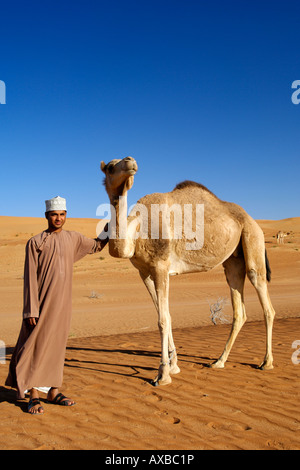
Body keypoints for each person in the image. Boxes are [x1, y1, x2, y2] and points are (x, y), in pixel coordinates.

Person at [5, 196, 108, 414]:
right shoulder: (36, 242)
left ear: (66, 215)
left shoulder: (74, 239)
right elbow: (30, 278)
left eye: (62, 214)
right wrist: (30, 309)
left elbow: (97, 246)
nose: (58, 218)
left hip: (63, 304)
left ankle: (53, 391)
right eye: (54, 214)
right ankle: (33, 394)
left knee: (57, 347)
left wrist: (111, 229)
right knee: (35, 346)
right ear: (47, 216)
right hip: (41, 304)